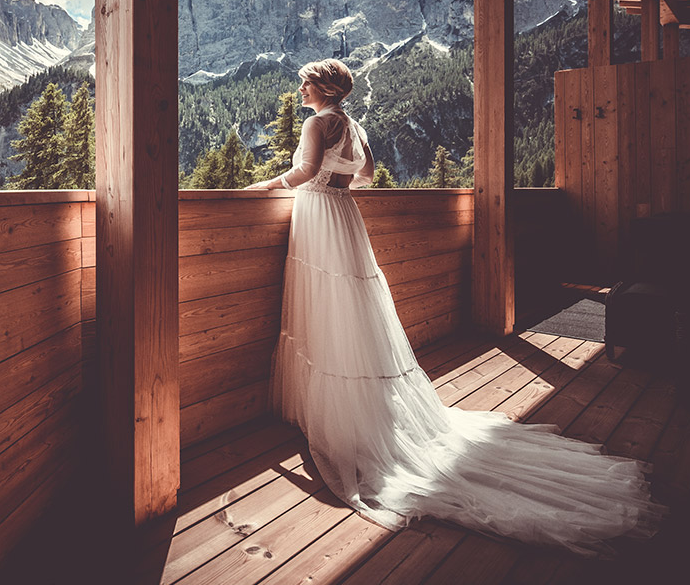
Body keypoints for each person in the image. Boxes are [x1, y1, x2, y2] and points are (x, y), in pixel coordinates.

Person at [245, 59, 663, 555]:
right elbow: (368, 177)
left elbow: (305, 171)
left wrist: (263, 188)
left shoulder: (318, 121)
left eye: (306, 80)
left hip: (317, 219)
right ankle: (354, 407)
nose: (301, 86)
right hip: (343, 218)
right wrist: (334, 190)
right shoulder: (353, 125)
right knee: (349, 305)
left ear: (325, 87)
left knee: (325, 307)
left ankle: (340, 417)